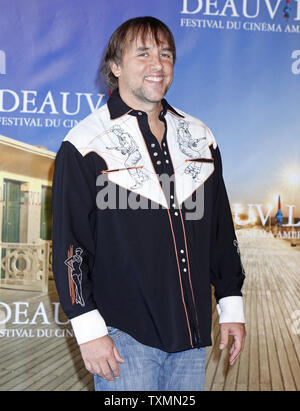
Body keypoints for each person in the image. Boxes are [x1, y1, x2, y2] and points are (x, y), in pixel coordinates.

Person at [52, 16, 246, 391]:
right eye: (143, 54)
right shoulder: (84, 143)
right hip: (123, 336)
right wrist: (88, 329)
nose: (158, 64)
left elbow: (221, 231)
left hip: (190, 335)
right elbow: (69, 245)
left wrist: (231, 305)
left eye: (166, 54)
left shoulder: (200, 136)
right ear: (115, 66)